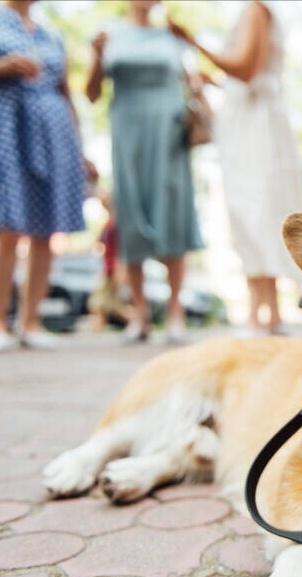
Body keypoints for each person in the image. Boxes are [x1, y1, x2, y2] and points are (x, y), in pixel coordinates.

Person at [170, 1, 302, 336]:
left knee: (255, 210)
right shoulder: (256, 11)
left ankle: (259, 315)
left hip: (254, 126)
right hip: (250, 121)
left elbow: (246, 69)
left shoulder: (257, 9)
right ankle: (266, 312)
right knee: (253, 211)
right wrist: (215, 82)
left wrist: (193, 42)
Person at [86, 0, 203, 344]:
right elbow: (92, 94)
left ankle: (175, 311)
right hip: (128, 132)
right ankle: (139, 313)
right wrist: (95, 57)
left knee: (173, 213)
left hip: (169, 132)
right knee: (131, 214)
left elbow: (192, 80)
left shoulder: (172, 33)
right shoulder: (110, 33)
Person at [0, 0, 88, 351]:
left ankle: (31, 321)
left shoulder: (52, 34)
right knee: (7, 227)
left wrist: (80, 150)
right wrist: (5, 66)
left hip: (54, 135)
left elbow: (66, 93)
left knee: (46, 228)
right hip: (9, 130)